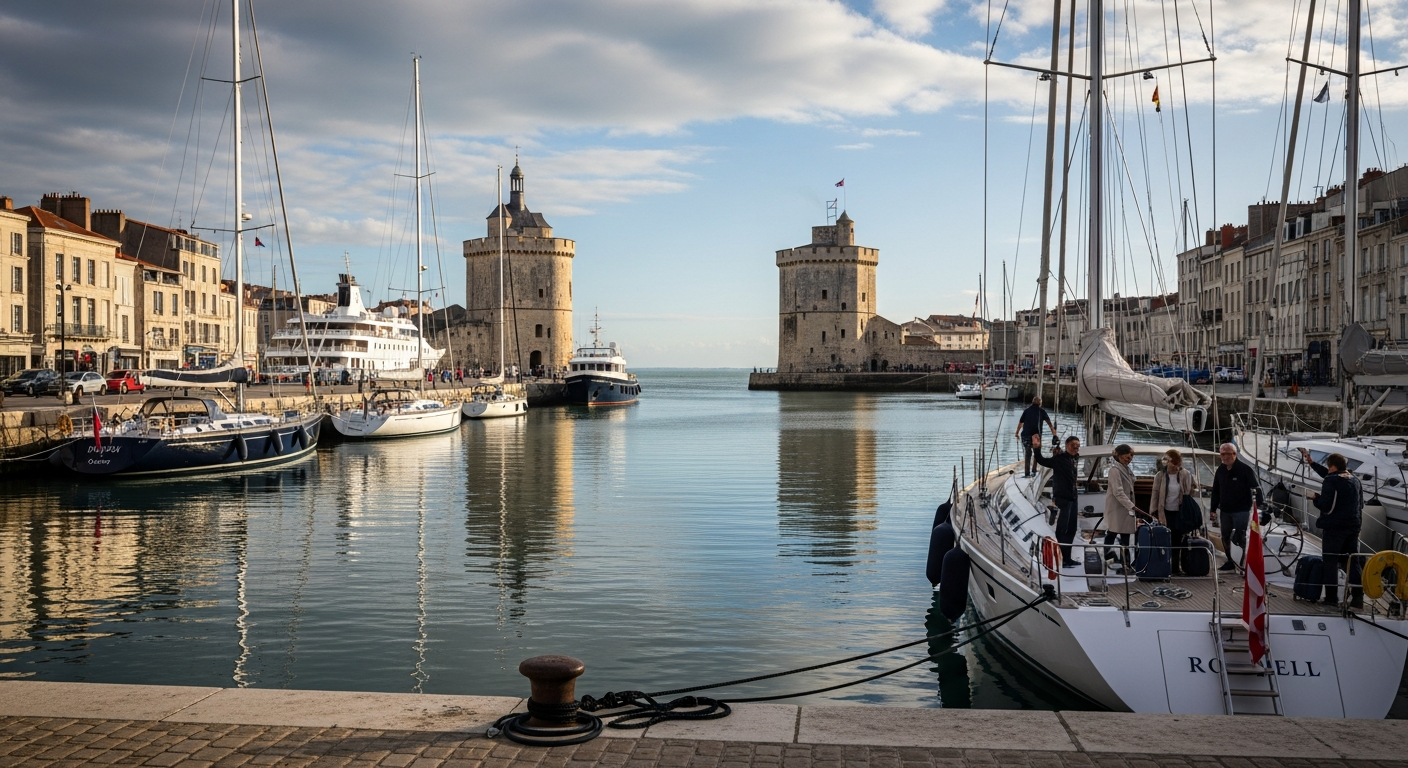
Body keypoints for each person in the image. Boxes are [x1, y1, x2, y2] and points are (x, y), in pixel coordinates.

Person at [1303, 450, 1365, 607]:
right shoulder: (1355, 480)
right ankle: (1358, 598)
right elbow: (1361, 505)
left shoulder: (1331, 481)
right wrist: (1312, 464)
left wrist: (1316, 499)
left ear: (1332, 466)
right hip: (1354, 527)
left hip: (1335, 528)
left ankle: (1331, 598)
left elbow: (1326, 506)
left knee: (1330, 561)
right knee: (1352, 562)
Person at [1209, 443, 1261, 572]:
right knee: (1225, 536)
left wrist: (1259, 507)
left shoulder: (1245, 470)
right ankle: (1230, 561)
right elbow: (1216, 490)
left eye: (1228, 454)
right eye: (1222, 454)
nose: (1225, 457)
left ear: (1234, 454)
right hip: (1225, 510)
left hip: (1241, 510)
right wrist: (1212, 509)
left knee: (1239, 537)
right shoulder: (1220, 470)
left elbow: (1256, 488)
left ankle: (1242, 562)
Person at [1032, 434, 1082, 567]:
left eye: (1078, 446)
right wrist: (1036, 448)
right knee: (1062, 529)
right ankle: (1061, 558)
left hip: (1073, 498)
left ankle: (1067, 558)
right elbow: (1042, 460)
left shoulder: (1074, 458)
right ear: (1067, 446)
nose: (1076, 448)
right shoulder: (1059, 459)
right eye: (1073, 446)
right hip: (1063, 499)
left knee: (1072, 529)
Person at [1150, 449, 1197, 576]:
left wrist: (1187, 497)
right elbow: (1155, 493)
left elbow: (1193, 487)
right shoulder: (1160, 476)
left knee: (1178, 539)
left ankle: (1176, 567)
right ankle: (1165, 565)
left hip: (1180, 512)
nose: (1173, 464)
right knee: (1166, 538)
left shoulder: (1185, 474)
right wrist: (1153, 510)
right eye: (1170, 461)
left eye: (1175, 462)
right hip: (1165, 511)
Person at [1103, 444, 1143, 565]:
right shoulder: (1114, 470)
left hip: (1125, 510)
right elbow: (1118, 491)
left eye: (1131, 456)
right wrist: (1131, 505)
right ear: (1119, 455)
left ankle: (1124, 563)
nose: (1130, 458)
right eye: (1127, 456)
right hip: (1117, 508)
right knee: (1112, 533)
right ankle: (1109, 557)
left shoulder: (1126, 470)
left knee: (1123, 535)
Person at [1015, 396, 1058, 477]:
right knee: (1036, 453)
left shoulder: (1026, 411)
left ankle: (1026, 473)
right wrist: (1054, 433)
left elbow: (1021, 423)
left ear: (1032, 402)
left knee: (1028, 453)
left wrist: (1017, 433)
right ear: (1040, 403)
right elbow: (1049, 423)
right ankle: (1034, 471)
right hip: (1036, 436)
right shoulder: (1042, 411)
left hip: (1026, 435)